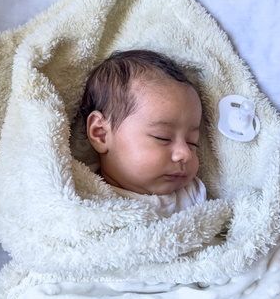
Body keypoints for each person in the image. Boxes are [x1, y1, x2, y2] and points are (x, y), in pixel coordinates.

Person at [80, 50, 206, 218]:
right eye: (163, 137)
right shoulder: (82, 197)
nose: (185, 154)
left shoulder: (192, 195)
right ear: (101, 133)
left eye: (192, 142)